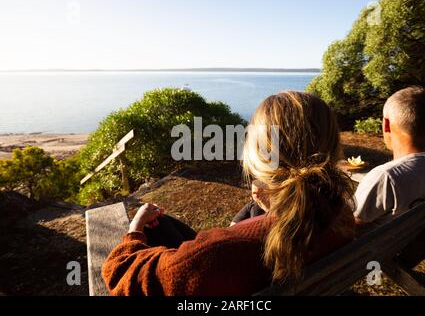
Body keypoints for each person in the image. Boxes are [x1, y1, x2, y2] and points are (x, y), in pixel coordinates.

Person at [101, 91, 356, 296]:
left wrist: (135, 231)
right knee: (163, 224)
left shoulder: (219, 255)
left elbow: (122, 278)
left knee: (152, 228)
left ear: (261, 153)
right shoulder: (340, 216)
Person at [354, 86, 425, 229]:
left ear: (386, 124)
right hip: (408, 245)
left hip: (378, 250)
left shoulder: (386, 177)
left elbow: (347, 227)